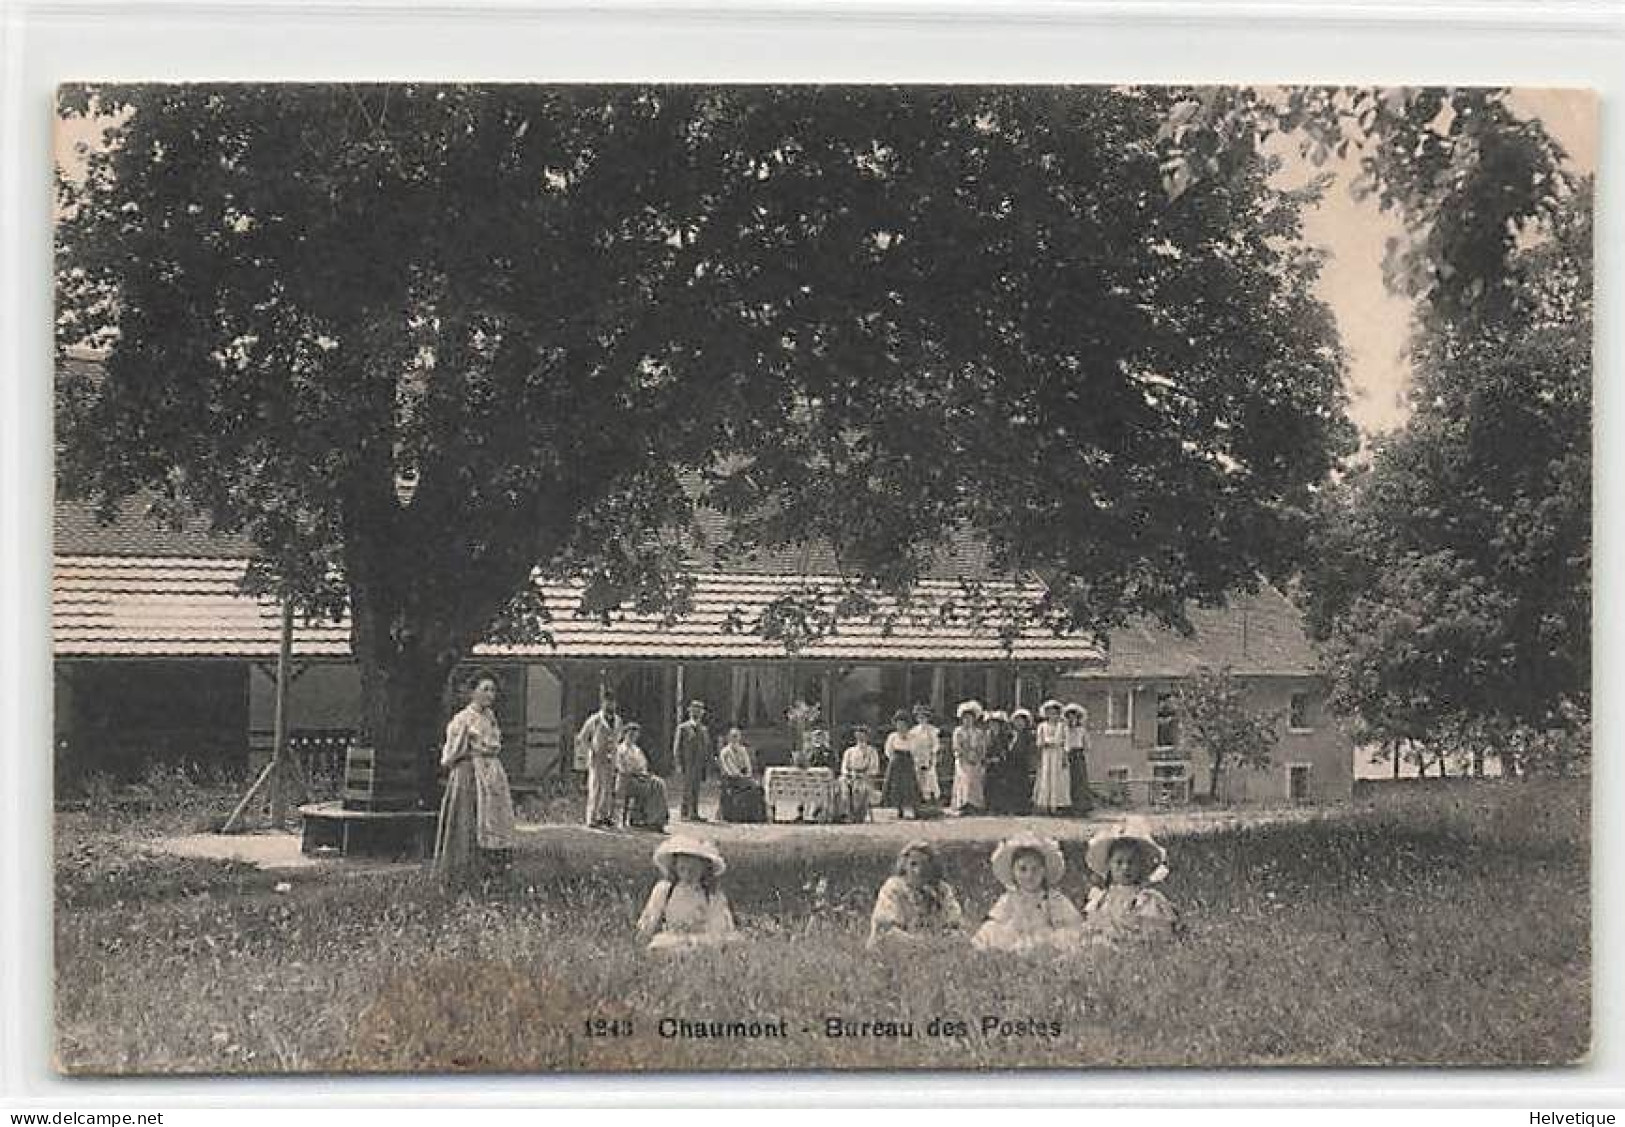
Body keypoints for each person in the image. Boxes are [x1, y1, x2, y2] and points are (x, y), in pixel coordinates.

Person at [433, 671, 518, 884]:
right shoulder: (462, 719)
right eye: (485, 689)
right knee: (469, 820)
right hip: (469, 774)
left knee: (493, 822)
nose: (490, 695)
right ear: (473, 693)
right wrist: (469, 759)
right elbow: (451, 754)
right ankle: (463, 872)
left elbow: (494, 744)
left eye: (493, 690)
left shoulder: (490, 717)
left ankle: (491, 872)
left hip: (491, 773)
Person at [972, 832, 1083, 953]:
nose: (1029, 875)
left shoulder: (1051, 898)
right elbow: (997, 919)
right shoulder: (1010, 898)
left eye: (1035, 869)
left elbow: (1069, 922)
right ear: (1013, 872)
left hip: (1043, 936)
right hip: (1016, 933)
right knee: (991, 929)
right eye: (1022, 869)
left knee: (1063, 936)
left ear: (1044, 871)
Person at [1081, 821, 1180, 945]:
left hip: (1135, 937)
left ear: (1141, 866)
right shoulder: (1103, 898)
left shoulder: (1144, 898)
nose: (1125, 868)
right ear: (1109, 866)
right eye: (1119, 863)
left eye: (1131, 862)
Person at [636, 836, 740, 951]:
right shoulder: (665, 890)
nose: (688, 874)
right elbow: (649, 920)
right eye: (683, 868)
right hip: (671, 939)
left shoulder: (711, 895)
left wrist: (697, 939)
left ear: (704, 868)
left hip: (701, 941)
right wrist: (645, 935)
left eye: (693, 869)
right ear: (675, 866)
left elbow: (719, 929)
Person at [867, 840, 966, 949]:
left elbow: (956, 927)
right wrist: (920, 945)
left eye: (925, 865)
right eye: (913, 864)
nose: (918, 871)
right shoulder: (893, 888)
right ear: (904, 866)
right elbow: (886, 931)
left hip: (934, 950)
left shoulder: (942, 890)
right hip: (896, 952)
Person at [576, 692, 622, 829]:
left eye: (612, 702)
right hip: (597, 758)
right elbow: (582, 737)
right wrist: (591, 749)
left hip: (611, 758)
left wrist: (615, 751)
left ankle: (604, 816)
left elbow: (618, 738)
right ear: (603, 703)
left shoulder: (618, 720)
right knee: (596, 787)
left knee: (608, 789)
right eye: (608, 702)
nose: (610, 705)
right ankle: (592, 818)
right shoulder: (595, 719)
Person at [614, 722, 670, 832]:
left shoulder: (637, 750)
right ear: (624, 734)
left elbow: (644, 765)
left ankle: (656, 820)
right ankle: (650, 819)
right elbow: (621, 768)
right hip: (626, 781)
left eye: (635, 736)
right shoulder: (620, 749)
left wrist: (643, 773)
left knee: (659, 783)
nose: (632, 738)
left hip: (639, 778)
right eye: (630, 735)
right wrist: (635, 772)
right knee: (653, 787)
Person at [716, 726, 767, 823]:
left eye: (737, 736)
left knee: (758, 788)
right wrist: (739, 776)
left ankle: (755, 815)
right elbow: (728, 768)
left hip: (743, 777)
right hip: (730, 779)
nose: (735, 739)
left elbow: (748, 764)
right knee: (751, 786)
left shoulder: (742, 750)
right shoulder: (725, 752)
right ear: (729, 738)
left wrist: (748, 775)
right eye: (733, 736)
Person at [673, 699, 713, 822]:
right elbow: (677, 746)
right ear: (690, 712)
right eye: (694, 710)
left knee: (696, 787)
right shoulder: (683, 728)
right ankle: (685, 813)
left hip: (699, 762)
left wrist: (707, 762)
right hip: (687, 762)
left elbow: (707, 747)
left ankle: (694, 812)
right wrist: (678, 763)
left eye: (700, 711)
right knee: (687, 787)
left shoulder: (704, 729)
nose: (697, 713)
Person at [879, 709, 922, 819]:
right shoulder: (892, 736)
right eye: (899, 724)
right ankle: (899, 809)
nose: (901, 727)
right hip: (896, 762)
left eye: (903, 724)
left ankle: (913, 809)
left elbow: (916, 750)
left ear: (907, 725)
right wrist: (893, 759)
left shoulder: (913, 736)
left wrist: (915, 762)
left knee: (909, 786)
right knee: (896, 786)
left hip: (907, 761)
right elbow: (888, 750)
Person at [1031, 699, 1070, 816]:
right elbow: (1039, 742)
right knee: (1046, 777)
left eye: (1055, 713)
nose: (1052, 715)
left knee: (1057, 778)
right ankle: (1045, 804)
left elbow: (1066, 742)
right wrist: (1043, 746)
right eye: (1050, 713)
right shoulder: (1042, 726)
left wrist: (1064, 757)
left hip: (1058, 753)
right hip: (1046, 754)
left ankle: (1057, 805)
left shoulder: (1062, 726)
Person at [835, 724, 881, 823]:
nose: (860, 738)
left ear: (867, 737)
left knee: (859, 788)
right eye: (858, 736)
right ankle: (845, 813)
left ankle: (858, 814)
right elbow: (844, 766)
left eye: (863, 736)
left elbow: (874, 768)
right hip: (850, 776)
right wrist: (848, 774)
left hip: (865, 778)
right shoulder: (850, 751)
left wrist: (863, 775)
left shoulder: (872, 751)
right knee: (843, 786)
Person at [950, 700, 989, 815]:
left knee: (975, 781)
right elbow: (957, 746)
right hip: (963, 759)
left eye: (970, 718)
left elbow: (982, 747)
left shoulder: (978, 733)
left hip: (975, 759)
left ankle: (975, 805)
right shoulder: (958, 731)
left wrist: (978, 757)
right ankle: (962, 803)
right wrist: (965, 756)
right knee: (963, 779)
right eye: (965, 718)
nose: (968, 721)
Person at [982, 710, 1020, 815]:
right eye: (991, 723)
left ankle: (1002, 807)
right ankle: (990, 807)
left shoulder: (1005, 736)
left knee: (1002, 785)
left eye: (996, 723)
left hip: (1002, 763)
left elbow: (1007, 749)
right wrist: (986, 759)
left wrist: (1000, 757)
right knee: (989, 784)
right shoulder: (986, 735)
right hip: (989, 764)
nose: (993, 725)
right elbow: (983, 749)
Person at [1063, 702, 1095, 816]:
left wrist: (1082, 750)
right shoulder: (1064, 730)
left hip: (1078, 755)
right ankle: (1069, 806)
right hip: (1068, 754)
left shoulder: (1082, 730)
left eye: (1074, 716)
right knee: (1068, 780)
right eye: (1069, 716)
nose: (1072, 719)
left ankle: (1082, 807)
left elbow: (1087, 745)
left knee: (1080, 780)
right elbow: (1063, 743)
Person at [908, 704, 943, 811]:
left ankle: (933, 802)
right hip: (917, 757)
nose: (922, 719)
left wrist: (932, 755)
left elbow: (935, 744)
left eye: (924, 717)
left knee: (930, 779)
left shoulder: (932, 730)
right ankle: (920, 805)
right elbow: (911, 745)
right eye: (920, 717)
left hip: (929, 756)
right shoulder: (913, 731)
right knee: (919, 780)